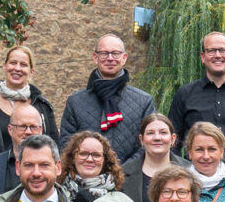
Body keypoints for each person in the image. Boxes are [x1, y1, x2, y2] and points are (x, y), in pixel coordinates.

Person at [60, 33, 156, 164]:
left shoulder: (144, 101)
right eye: (104, 53)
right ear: (95, 57)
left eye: (115, 53)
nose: (110, 58)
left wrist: (123, 171)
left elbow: (148, 143)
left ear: (124, 58)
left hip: (131, 179)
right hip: (86, 178)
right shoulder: (75, 102)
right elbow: (67, 145)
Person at [169, 31, 225, 171]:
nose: (217, 55)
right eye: (211, 51)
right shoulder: (185, 94)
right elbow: (173, 140)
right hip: (195, 176)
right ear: (203, 57)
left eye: (223, 50)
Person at [0, 43, 59, 140]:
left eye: (23, 65)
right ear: (4, 66)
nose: (17, 68)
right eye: (13, 63)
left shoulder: (42, 107)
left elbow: (54, 146)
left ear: (31, 71)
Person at [120, 112, 186, 202]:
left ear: (173, 138)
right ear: (141, 139)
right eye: (150, 133)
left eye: (163, 133)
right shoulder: (123, 174)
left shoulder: (189, 171)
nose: (157, 138)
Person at [0, 102, 45, 194]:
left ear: (41, 130)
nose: (28, 132)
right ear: (10, 130)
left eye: (33, 127)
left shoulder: (53, 167)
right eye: (22, 126)